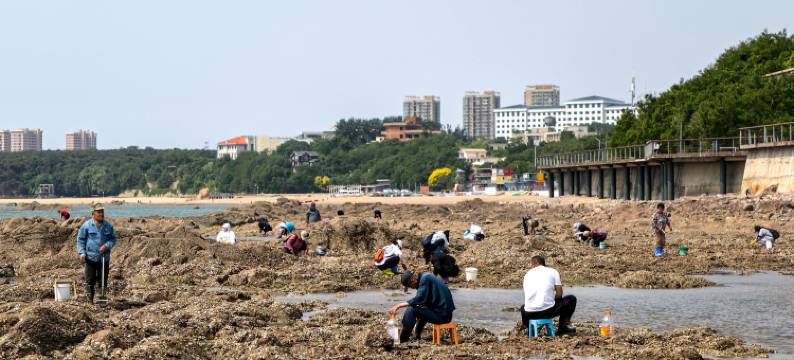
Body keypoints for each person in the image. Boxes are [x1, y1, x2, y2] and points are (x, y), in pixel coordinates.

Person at [389, 271, 456, 343]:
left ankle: (403, 338)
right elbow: (423, 301)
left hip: (443, 316)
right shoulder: (425, 276)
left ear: (413, 280)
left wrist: (398, 305)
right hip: (445, 313)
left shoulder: (425, 279)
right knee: (420, 308)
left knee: (411, 310)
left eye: (411, 286)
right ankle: (416, 336)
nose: (413, 288)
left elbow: (419, 298)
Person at [520, 255, 577, 335]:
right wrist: (552, 300)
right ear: (543, 263)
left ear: (533, 264)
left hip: (528, 314)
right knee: (571, 299)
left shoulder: (527, 274)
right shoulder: (553, 271)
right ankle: (563, 328)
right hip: (546, 312)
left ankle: (530, 329)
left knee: (523, 307)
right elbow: (559, 293)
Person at [76, 204, 117, 304]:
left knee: (103, 280)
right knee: (90, 280)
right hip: (90, 258)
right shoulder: (86, 225)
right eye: (98, 212)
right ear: (93, 214)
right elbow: (80, 240)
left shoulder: (108, 226)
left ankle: (101, 298)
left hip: (104, 258)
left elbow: (113, 239)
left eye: (102, 212)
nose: (101, 214)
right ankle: (90, 301)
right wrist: (82, 253)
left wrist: (106, 245)